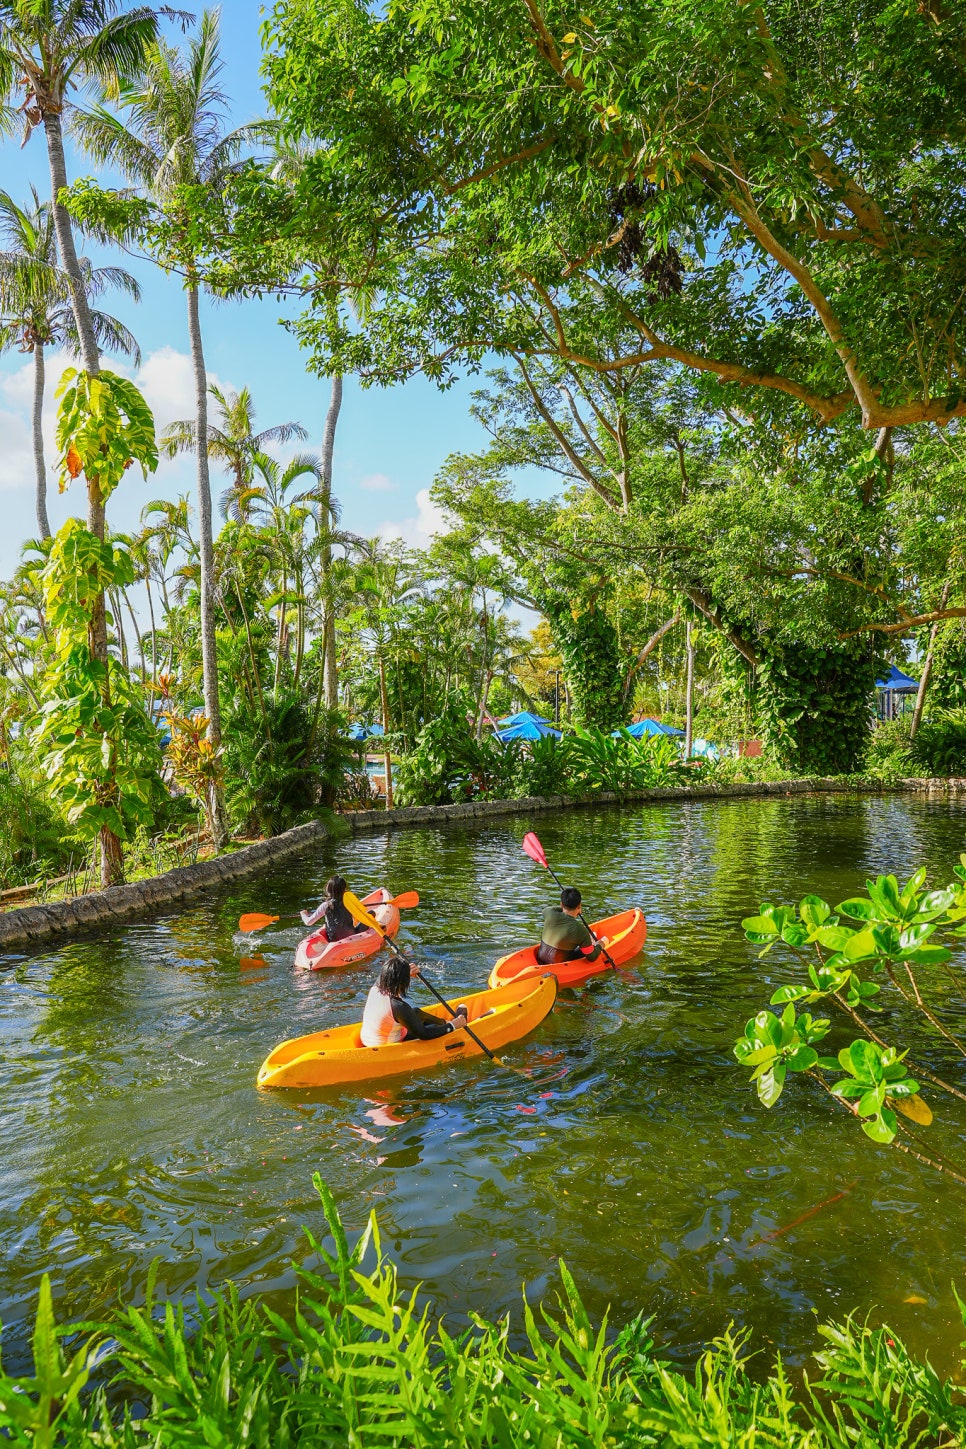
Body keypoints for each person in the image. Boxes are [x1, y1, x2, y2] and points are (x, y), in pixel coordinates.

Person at [360, 957, 469, 1047]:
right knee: (431, 1029)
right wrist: (452, 1026)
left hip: (368, 1039)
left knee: (416, 1012)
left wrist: (407, 970)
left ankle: (444, 1022)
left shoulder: (376, 987)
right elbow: (424, 1034)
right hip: (385, 1045)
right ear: (404, 981)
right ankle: (457, 1023)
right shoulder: (398, 1006)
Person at [534, 887, 603, 966]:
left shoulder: (548, 912)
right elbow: (592, 957)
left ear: (561, 904)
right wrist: (600, 945)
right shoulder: (580, 930)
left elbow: (549, 910)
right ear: (579, 905)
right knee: (587, 948)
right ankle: (593, 944)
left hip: (540, 958)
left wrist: (565, 908)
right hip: (558, 965)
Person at [300, 875, 367, 940]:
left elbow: (308, 922)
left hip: (333, 939)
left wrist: (303, 914)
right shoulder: (349, 902)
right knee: (371, 913)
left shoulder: (325, 905)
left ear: (328, 889)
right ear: (344, 889)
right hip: (351, 934)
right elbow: (361, 914)